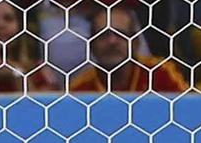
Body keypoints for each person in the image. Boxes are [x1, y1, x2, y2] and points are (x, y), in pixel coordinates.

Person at [55, 8, 189, 92]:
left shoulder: (160, 73)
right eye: (103, 35)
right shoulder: (80, 89)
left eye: (120, 34)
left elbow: (190, 110)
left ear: (136, 43)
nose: (112, 42)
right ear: (92, 46)